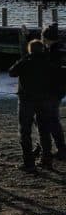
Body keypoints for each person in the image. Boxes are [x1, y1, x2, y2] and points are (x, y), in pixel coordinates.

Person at [9, 39, 57, 172]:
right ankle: (46, 159)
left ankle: (29, 163)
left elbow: (12, 72)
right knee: (44, 130)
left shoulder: (26, 62)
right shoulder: (48, 63)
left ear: (30, 50)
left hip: (26, 100)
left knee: (25, 131)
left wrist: (25, 57)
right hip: (44, 99)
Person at [41, 23, 66, 160]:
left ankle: (61, 148)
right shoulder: (60, 49)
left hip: (52, 90)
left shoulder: (52, 52)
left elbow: (48, 70)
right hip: (60, 89)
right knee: (53, 119)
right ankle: (60, 147)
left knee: (51, 120)